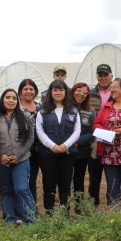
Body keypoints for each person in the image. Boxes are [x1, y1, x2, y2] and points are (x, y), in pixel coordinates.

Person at [36, 80, 81, 212]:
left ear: (66, 92)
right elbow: (40, 131)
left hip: (67, 154)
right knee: (49, 185)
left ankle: (65, 214)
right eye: (55, 90)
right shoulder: (42, 112)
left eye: (61, 90)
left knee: (65, 186)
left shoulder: (73, 111)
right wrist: (53, 146)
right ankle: (49, 213)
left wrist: (66, 145)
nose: (58, 92)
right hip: (48, 155)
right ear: (50, 92)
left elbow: (77, 131)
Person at [0, 88, 37, 223]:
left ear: (17, 101)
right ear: (2, 100)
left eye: (13, 98)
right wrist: (1, 155)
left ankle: (32, 219)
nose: (11, 100)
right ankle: (10, 220)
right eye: (7, 97)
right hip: (2, 161)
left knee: (21, 188)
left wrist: (18, 155)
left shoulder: (25, 117)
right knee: (6, 191)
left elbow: (30, 139)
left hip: (21, 160)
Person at [87, 63, 113, 205]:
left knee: (111, 173)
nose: (103, 78)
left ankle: (112, 200)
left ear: (111, 76)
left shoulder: (116, 93)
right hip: (95, 139)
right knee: (94, 173)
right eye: (100, 75)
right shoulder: (90, 94)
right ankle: (93, 202)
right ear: (97, 77)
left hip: (113, 139)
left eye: (105, 75)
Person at [70, 82, 94, 208]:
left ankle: (79, 207)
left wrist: (77, 141)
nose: (81, 94)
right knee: (65, 180)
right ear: (73, 90)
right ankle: (65, 207)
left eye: (85, 93)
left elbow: (92, 132)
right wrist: (68, 142)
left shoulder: (90, 111)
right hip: (65, 150)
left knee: (79, 180)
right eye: (79, 90)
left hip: (81, 151)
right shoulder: (64, 107)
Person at [18, 78, 42, 206]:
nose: (28, 92)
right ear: (20, 92)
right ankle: (23, 208)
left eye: (31, 89)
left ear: (35, 91)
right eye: (25, 89)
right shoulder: (16, 107)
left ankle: (32, 208)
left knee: (33, 180)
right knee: (24, 181)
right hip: (21, 150)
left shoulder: (41, 107)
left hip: (38, 149)